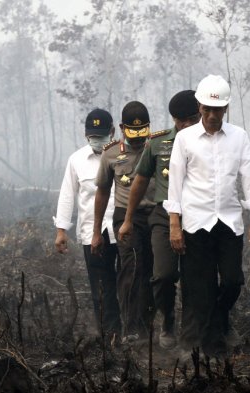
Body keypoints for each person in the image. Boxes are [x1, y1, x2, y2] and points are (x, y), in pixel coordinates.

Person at [164, 75, 250, 356]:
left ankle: (217, 323)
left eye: (217, 110)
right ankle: (212, 349)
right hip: (196, 224)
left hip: (229, 223)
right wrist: (175, 224)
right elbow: (175, 184)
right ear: (199, 108)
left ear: (226, 109)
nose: (211, 116)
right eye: (206, 110)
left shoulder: (239, 137)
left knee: (232, 281)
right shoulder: (184, 139)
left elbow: (249, 179)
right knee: (202, 289)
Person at [117, 90, 201, 349]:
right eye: (178, 120)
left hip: (199, 215)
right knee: (163, 275)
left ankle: (192, 334)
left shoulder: (211, 141)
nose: (183, 125)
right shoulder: (159, 142)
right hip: (163, 215)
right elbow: (140, 181)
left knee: (196, 277)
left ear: (199, 115)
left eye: (189, 119)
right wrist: (128, 219)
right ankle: (167, 320)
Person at [54, 108, 121, 340]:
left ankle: (132, 333)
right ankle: (108, 337)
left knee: (126, 285)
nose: (98, 141)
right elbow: (67, 195)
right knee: (100, 289)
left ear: (112, 132)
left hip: (123, 230)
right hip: (92, 233)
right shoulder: (77, 160)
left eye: (102, 135)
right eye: (93, 136)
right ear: (85, 135)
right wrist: (61, 230)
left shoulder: (125, 155)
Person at [93, 101, 156, 343]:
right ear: (122, 128)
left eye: (143, 132)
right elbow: (102, 192)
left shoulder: (158, 147)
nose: (138, 138)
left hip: (156, 214)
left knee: (152, 271)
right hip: (126, 217)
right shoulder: (111, 154)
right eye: (133, 132)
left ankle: (148, 323)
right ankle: (130, 326)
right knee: (131, 267)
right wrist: (96, 232)